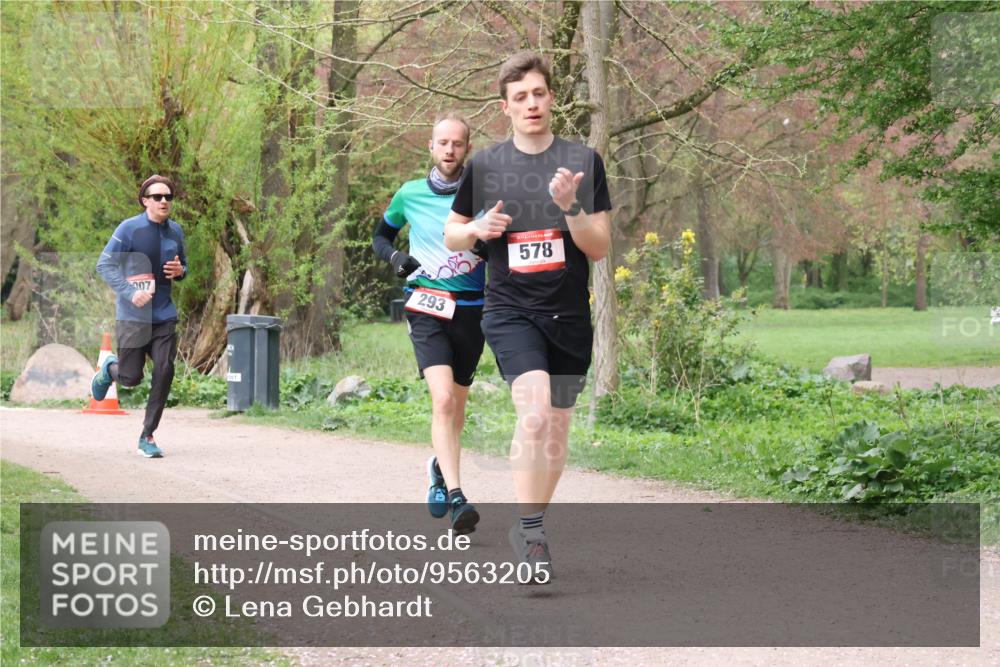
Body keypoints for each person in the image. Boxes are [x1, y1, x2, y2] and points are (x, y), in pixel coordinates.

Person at [444, 52, 612, 582]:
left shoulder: (583, 161)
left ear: (552, 98)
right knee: (535, 413)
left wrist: (571, 208)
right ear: (506, 107)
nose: (531, 103)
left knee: (556, 431)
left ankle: (531, 526)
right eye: (520, 97)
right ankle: (534, 536)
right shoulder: (486, 166)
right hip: (511, 310)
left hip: (568, 316)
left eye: (539, 93)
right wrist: (477, 231)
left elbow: (600, 247)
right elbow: (453, 233)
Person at [373, 113, 486, 535]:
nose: (450, 150)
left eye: (457, 143)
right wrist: (395, 258)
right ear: (431, 146)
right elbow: (379, 237)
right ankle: (458, 499)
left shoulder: (483, 197)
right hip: (425, 307)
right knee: (442, 401)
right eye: (443, 143)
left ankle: (439, 468)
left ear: (467, 148)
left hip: (472, 310)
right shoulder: (410, 193)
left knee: (456, 407)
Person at [93, 175, 188, 459]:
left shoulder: (176, 232)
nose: (164, 202)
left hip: (163, 315)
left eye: (168, 197)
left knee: (164, 370)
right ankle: (111, 369)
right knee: (130, 378)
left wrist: (181, 272)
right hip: (133, 316)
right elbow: (104, 264)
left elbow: (184, 267)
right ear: (145, 200)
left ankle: (147, 434)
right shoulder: (129, 229)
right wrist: (129, 292)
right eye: (157, 197)